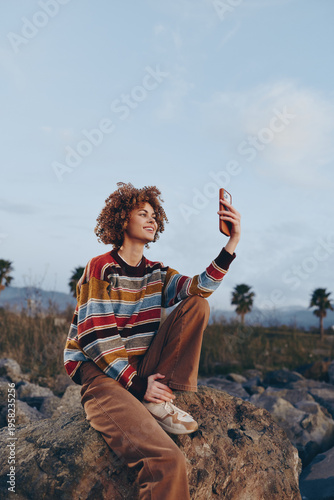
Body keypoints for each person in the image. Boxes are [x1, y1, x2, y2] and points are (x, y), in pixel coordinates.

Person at [63, 182, 241, 499]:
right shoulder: (101, 267)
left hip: (142, 369)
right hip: (102, 375)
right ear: (121, 220)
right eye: (142, 213)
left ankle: (162, 396)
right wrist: (137, 385)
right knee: (167, 462)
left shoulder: (156, 272)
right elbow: (95, 335)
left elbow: (199, 288)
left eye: (154, 215)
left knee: (197, 305)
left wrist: (232, 242)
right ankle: (150, 397)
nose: (152, 220)